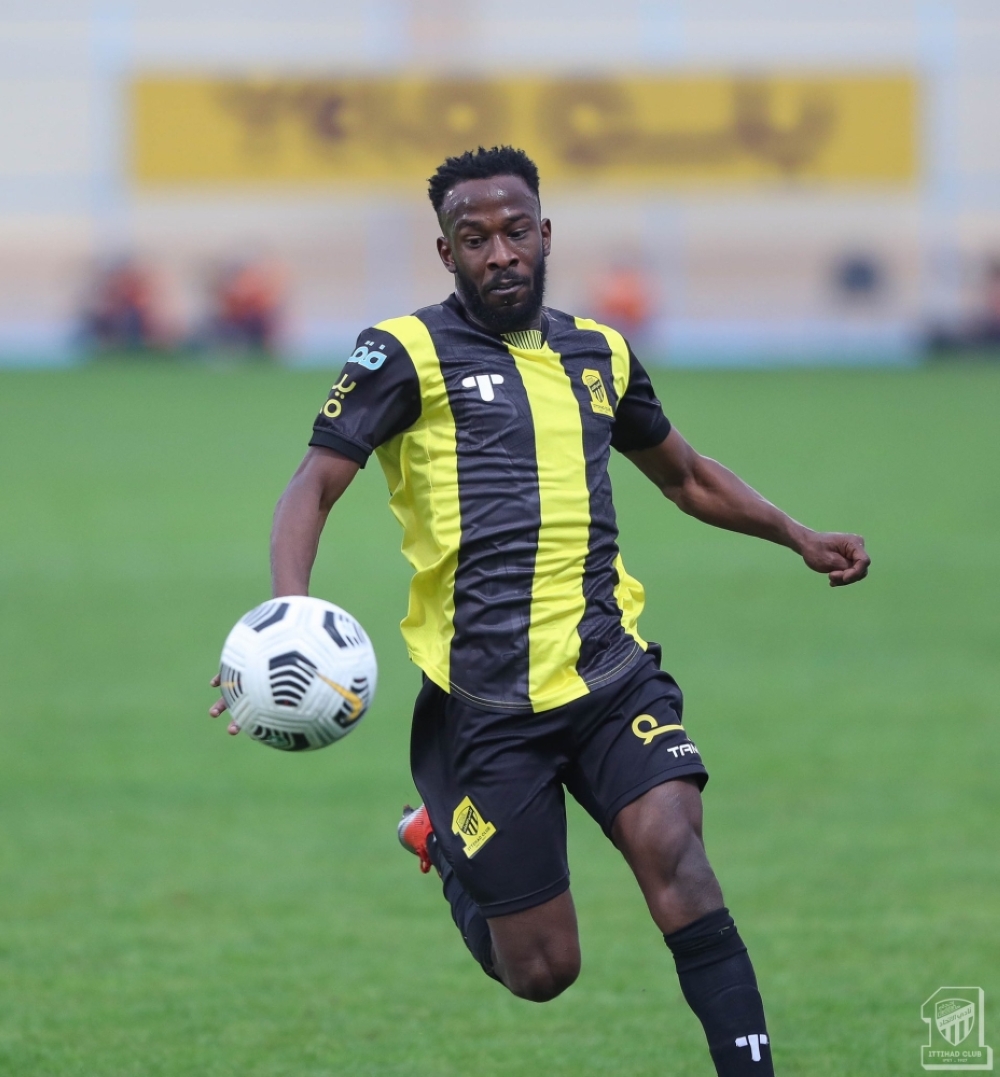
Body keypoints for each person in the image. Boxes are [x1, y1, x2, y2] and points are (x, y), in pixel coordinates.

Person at [209, 146, 869, 1075]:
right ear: (447, 253)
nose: (500, 253)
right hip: (484, 705)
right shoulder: (402, 353)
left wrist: (796, 534)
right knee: (543, 970)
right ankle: (440, 838)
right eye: (474, 238)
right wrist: (286, 616)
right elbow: (313, 484)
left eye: (516, 231)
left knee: (679, 858)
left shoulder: (601, 352)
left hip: (610, 673)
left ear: (545, 234)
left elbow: (685, 476)